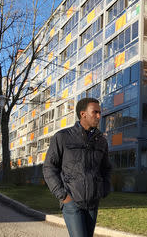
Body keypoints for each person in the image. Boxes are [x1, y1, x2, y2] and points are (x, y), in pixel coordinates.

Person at [43, 98, 112, 237]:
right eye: (95, 112)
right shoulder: (62, 137)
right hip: (72, 201)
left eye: (100, 112)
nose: (99, 116)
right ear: (83, 114)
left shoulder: (101, 141)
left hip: (93, 202)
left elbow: (106, 168)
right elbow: (49, 167)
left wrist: (103, 189)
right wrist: (63, 196)